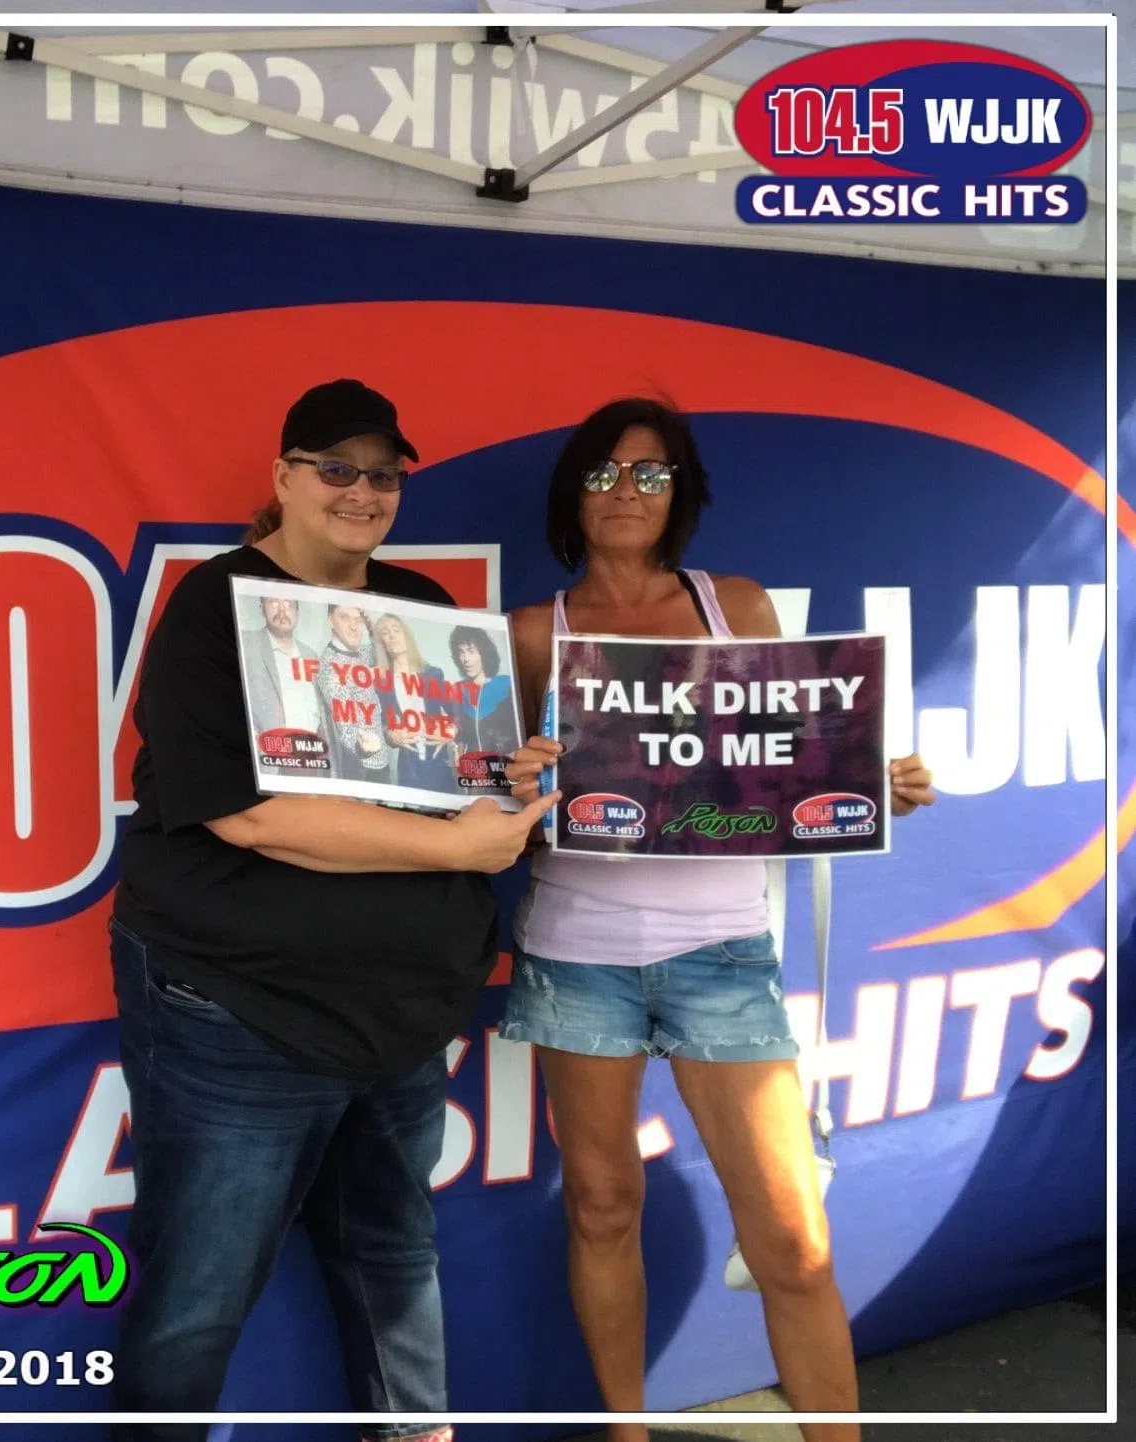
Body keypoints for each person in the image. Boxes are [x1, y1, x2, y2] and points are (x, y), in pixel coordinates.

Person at [108, 376, 557, 1440]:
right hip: (242, 1012)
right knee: (197, 1295)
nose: (363, 491)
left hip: (403, 1014)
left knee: (394, 1255)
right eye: (337, 468)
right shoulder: (215, 606)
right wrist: (455, 846)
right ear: (283, 477)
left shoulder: (422, 608)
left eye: (384, 475)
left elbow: (456, 780)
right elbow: (247, 816)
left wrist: (508, 775)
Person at [498, 397, 937, 1442]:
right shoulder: (530, 633)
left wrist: (871, 781)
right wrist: (514, 781)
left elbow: (788, 757)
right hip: (576, 950)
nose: (626, 491)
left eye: (650, 474)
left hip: (722, 951)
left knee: (793, 1240)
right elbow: (491, 799)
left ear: (679, 493)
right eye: (604, 471)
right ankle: (626, 1432)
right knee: (601, 1206)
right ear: (573, 492)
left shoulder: (733, 604)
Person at [374, 613, 459, 797]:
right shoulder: (383, 683)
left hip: (439, 764)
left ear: (406, 635)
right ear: (383, 644)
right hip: (409, 769)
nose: (392, 635)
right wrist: (391, 736)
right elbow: (383, 724)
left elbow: (457, 712)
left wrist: (450, 732)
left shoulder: (433, 674)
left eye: (396, 630)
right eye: (386, 633)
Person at [318, 601, 392, 783]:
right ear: (330, 620)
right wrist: (363, 748)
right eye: (345, 618)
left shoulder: (359, 653)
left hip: (381, 762)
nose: (353, 627)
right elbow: (346, 728)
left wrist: (371, 626)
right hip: (362, 770)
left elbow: (385, 653)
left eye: (357, 620)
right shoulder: (330, 666)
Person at [244, 593, 328, 744]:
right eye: (274, 602)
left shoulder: (311, 656)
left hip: (310, 751)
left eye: (288, 603)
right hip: (269, 752)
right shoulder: (246, 645)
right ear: (262, 609)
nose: (282, 610)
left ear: (297, 613)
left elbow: (322, 713)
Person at [448, 625, 521, 760]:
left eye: (471, 651)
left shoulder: (506, 684)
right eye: (461, 652)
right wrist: (450, 731)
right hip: (472, 766)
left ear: (484, 653)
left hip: (505, 765)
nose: (465, 659)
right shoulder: (458, 688)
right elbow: (458, 725)